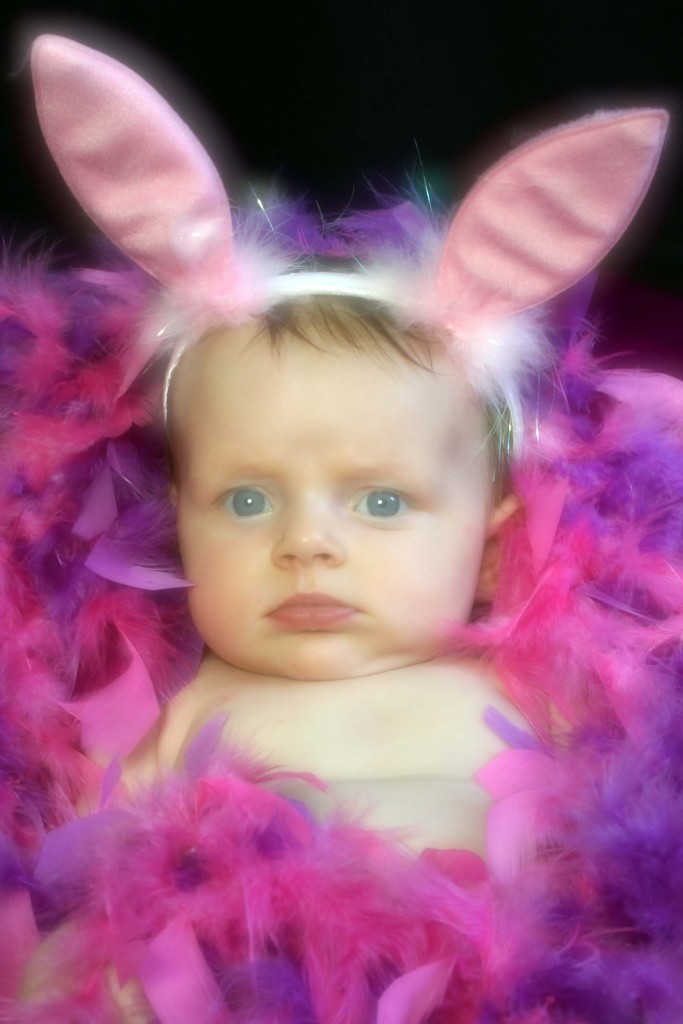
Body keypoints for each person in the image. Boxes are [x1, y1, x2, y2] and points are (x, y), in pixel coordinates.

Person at [7, 33, 683, 1024]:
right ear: (176, 523)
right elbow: (77, 872)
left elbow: (625, 853)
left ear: (491, 544)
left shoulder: (528, 690)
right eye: (247, 500)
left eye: (378, 500)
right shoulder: (183, 711)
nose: (306, 543)